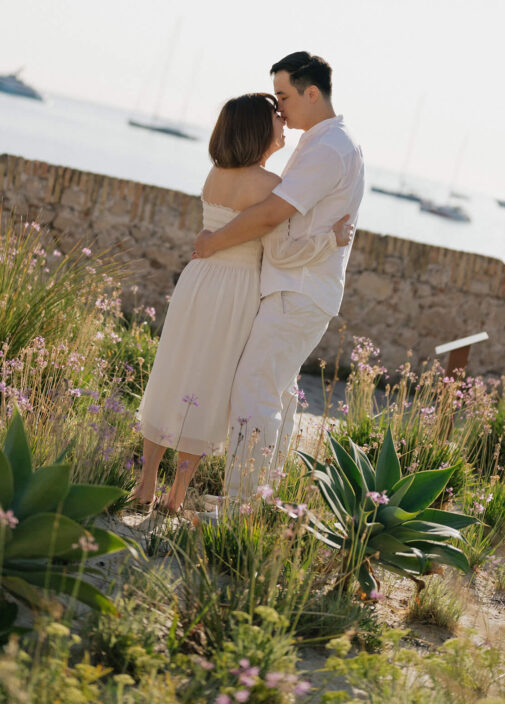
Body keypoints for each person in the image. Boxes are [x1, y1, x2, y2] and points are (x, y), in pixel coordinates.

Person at [132, 91, 352, 515]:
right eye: (275, 116)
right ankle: (176, 495)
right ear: (257, 127)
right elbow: (283, 250)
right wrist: (331, 239)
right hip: (235, 288)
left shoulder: (215, 174)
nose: (283, 121)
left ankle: (145, 483)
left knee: (174, 370)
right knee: (208, 383)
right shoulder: (269, 186)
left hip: (198, 280)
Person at [194, 52, 365, 500]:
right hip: (297, 286)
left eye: (284, 96)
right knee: (277, 395)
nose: (280, 108)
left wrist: (215, 240)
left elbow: (272, 212)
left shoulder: (329, 148)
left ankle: (240, 504)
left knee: (255, 390)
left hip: (299, 287)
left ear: (313, 93)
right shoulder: (326, 141)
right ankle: (257, 498)